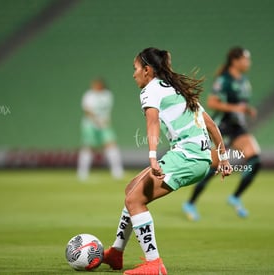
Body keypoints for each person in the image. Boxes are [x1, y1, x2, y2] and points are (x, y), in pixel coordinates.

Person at [101, 47, 232, 275]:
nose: (133, 74)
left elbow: (152, 124)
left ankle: (154, 265)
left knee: (135, 201)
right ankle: (116, 253)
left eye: (135, 69)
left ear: (147, 70)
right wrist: (223, 157)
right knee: (131, 190)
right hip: (195, 157)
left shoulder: (150, 90)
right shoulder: (175, 89)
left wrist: (152, 157)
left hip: (187, 156)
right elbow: (210, 124)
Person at [183, 47, 261, 220]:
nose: (249, 63)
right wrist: (235, 108)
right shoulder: (224, 79)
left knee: (255, 159)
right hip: (223, 126)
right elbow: (212, 102)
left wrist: (246, 109)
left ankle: (235, 197)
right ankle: (190, 203)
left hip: (238, 127)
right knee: (213, 168)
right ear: (235, 60)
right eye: (246, 59)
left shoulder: (243, 80)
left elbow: (239, 104)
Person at [77, 78, 123, 180]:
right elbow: (87, 110)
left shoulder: (108, 95)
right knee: (88, 147)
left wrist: (103, 121)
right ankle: (82, 173)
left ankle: (117, 172)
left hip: (104, 126)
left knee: (111, 145)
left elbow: (107, 110)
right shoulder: (88, 95)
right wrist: (96, 120)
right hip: (89, 126)